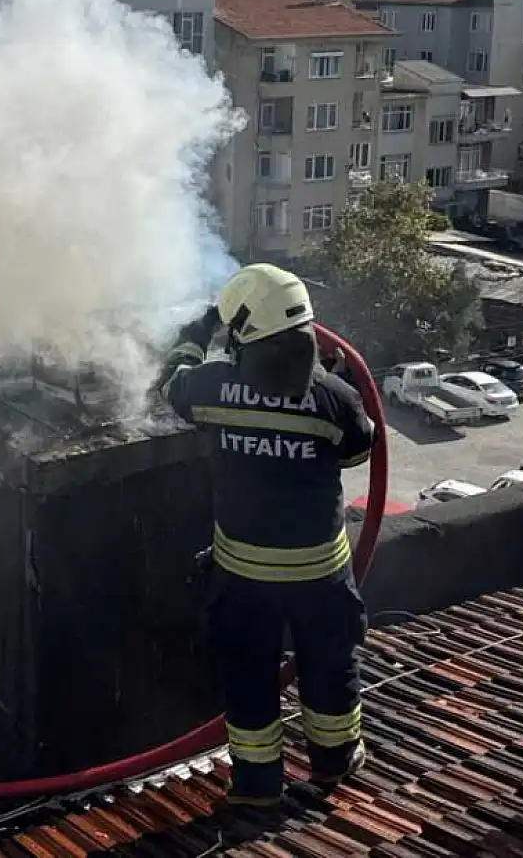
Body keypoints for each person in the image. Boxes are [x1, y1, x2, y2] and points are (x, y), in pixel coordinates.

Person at [154, 263, 376, 806]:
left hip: (244, 577)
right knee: (329, 668)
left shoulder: (213, 388)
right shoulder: (336, 398)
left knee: (250, 679)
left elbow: (171, 386)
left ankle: (257, 786)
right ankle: (333, 762)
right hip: (321, 577)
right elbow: (358, 450)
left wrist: (196, 333)